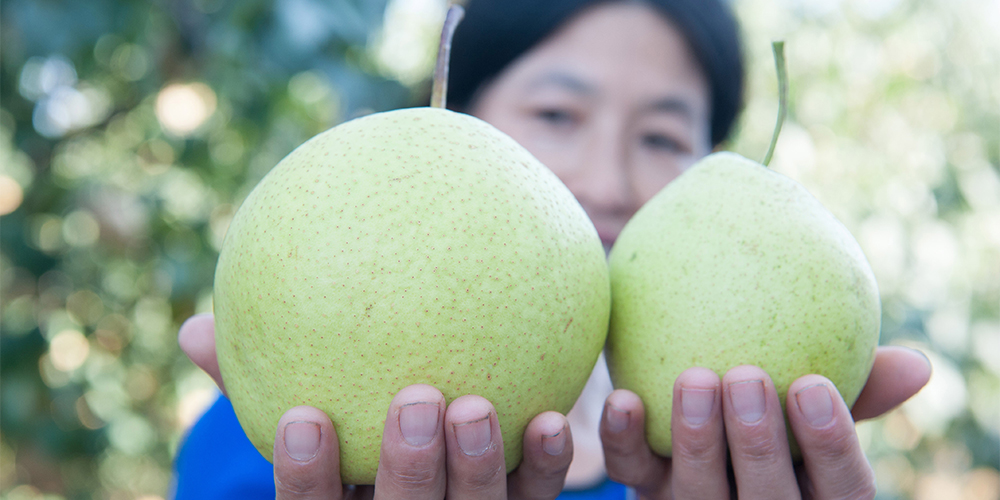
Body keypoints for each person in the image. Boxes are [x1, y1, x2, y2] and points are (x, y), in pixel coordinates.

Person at [172, 0, 932, 498]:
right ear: (463, 110)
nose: (606, 179)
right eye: (558, 113)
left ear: (713, 156)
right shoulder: (260, 460)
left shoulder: (766, 458)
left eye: (664, 135)